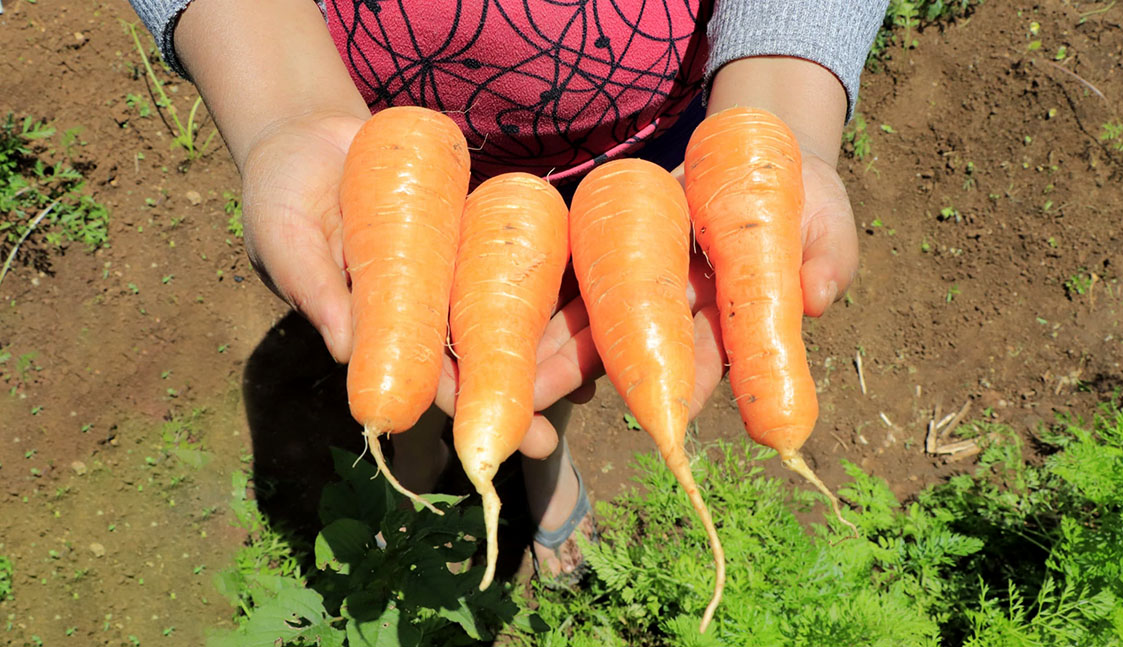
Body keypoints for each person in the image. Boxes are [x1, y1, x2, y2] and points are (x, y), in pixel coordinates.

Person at [128, 0, 887, 585]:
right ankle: (414, 448)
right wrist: (281, 101)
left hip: (641, 148)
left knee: (558, 328)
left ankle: (538, 465)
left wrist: (780, 101)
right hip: (382, 138)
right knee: (409, 308)